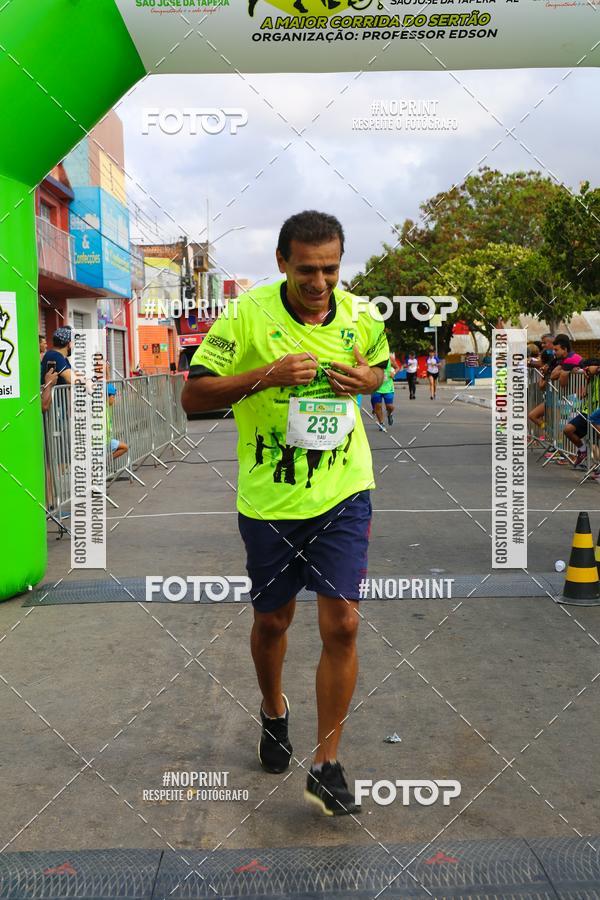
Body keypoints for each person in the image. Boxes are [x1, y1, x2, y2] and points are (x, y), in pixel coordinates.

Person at [181, 210, 389, 816]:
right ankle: (274, 709)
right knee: (273, 621)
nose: (319, 282)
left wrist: (367, 380)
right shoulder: (246, 315)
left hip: (343, 492)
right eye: (306, 270)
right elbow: (193, 395)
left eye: (330, 269)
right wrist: (265, 376)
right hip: (269, 503)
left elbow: (380, 367)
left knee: (342, 625)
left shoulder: (362, 316)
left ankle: (326, 764)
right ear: (282, 262)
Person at [563, 360, 600, 470]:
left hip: (596, 414)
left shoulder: (596, 372)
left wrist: (593, 369)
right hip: (588, 411)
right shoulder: (590, 377)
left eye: (586, 369)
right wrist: (585, 376)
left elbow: (593, 369)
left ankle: (597, 468)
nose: (585, 371)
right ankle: (583, 450)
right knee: (568, 430)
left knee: (595, 443)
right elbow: (583, 394)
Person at [370, 354, 399, 432]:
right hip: (376, 387)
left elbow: (397, 367)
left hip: (388, 387)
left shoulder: (389, 358)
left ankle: (389, 414)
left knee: (390, 407)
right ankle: (381, 423)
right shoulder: (373, 357)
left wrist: (394, 373)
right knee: (378, 406)